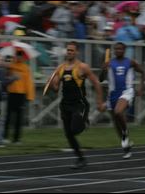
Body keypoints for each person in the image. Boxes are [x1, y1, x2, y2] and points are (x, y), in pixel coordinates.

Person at [50, 41, 105, 169]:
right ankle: (81, 159)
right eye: (68, 50)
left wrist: (99, 101)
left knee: (75, 129)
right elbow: (56, 88)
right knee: (69, 134)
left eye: (72, 50)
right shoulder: (61, 68)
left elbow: (96, 83)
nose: (69, 52)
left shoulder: (82, 67)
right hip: (65, 104)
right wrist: (52, 82)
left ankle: (84, 121)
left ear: (77, 52)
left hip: (79, 104)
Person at [99, 42, 145, 159]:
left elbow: (143, 72)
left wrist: (141, 88)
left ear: (124, 50)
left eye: (120, 49)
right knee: (116, 124)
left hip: (126, 92)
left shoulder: (130, 62)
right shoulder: (109, 63)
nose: (118, 51)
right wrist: (103, 70)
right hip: (112, 95)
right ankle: (126, 147)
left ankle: (125, 133)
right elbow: (100, 79)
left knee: (118, 112)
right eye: (116, 49)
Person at [4, 49, 35, 144]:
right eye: (17, 56)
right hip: (11, 94)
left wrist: (30, 96)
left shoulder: (26, 68)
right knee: (8, 116)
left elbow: (28, 83)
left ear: (23, 57)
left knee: (19, 118)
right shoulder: (10, 66)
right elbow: (5, 77)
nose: (19, 58)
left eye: (20, 56)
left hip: (21, 95)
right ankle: (5, 137)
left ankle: (16, 139)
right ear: (15, 56)